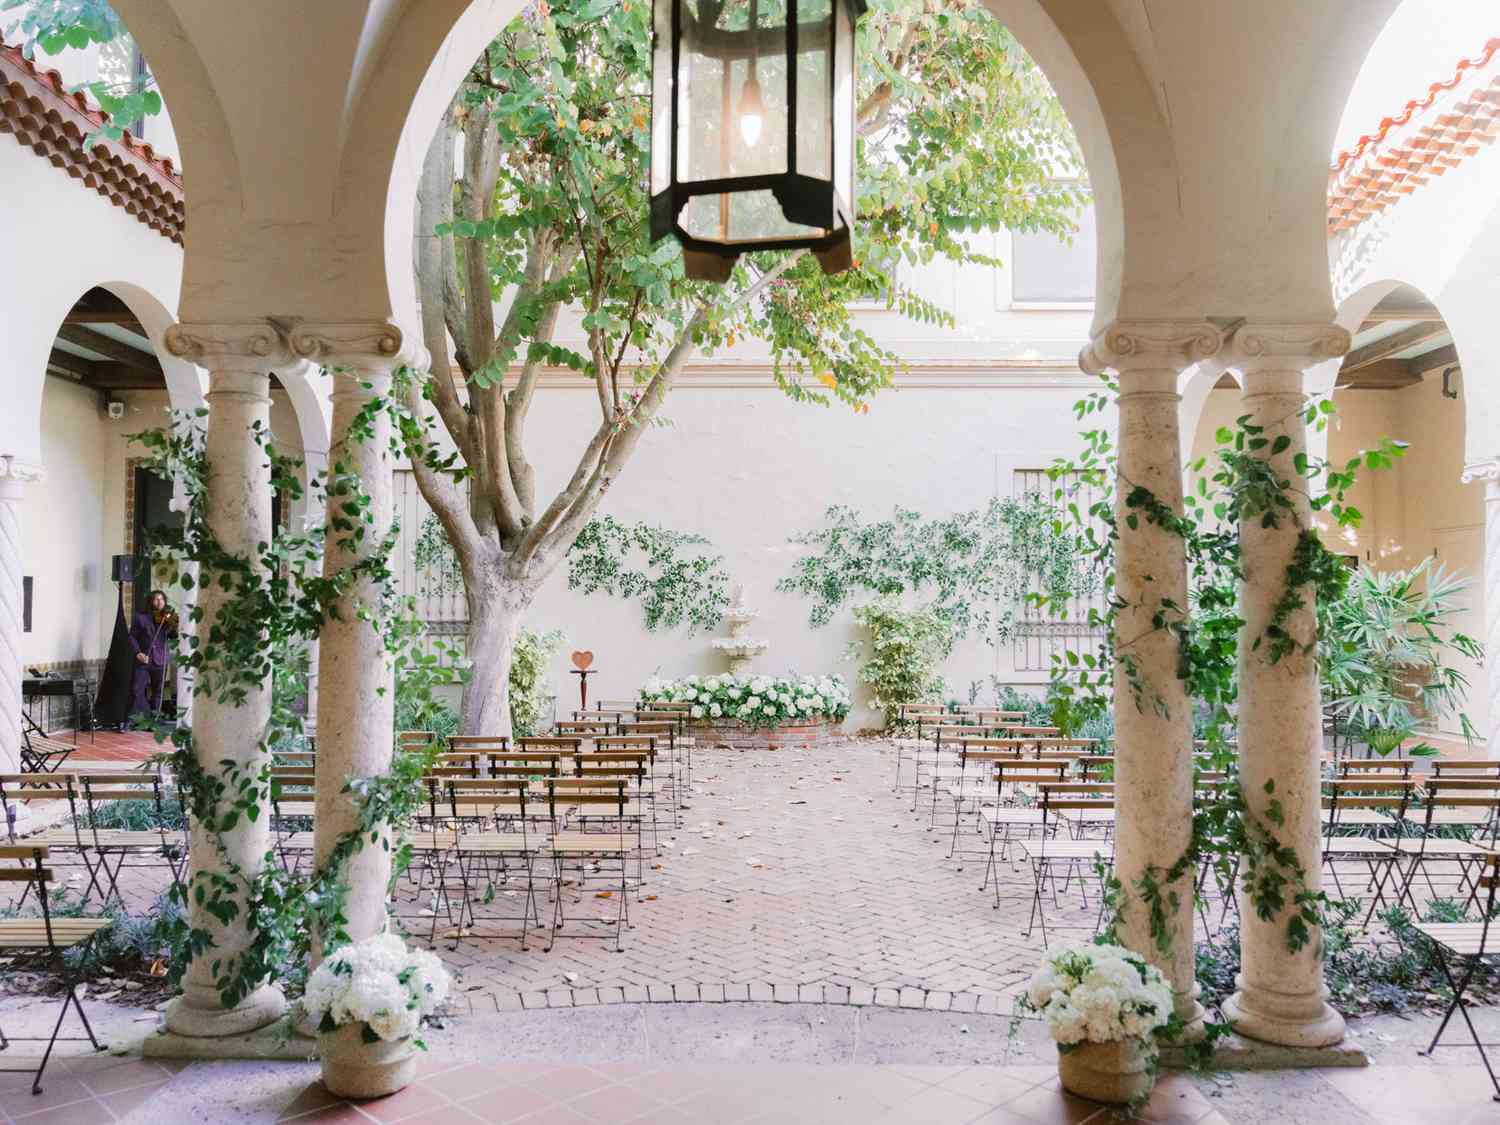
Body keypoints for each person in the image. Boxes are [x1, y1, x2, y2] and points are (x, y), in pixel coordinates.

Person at [129, 589, 177, 719]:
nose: (159, 602)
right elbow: (131, 637)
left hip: (160, 659)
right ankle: (141, 717)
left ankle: (154, 718)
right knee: (137, 689)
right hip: (144, 659)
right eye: (156, 599)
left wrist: (173, 625)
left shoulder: (167, 618)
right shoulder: (140, 618)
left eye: (162, 599)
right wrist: (138, 653)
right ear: (151, 601)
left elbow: (174, 636)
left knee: (158, 692)